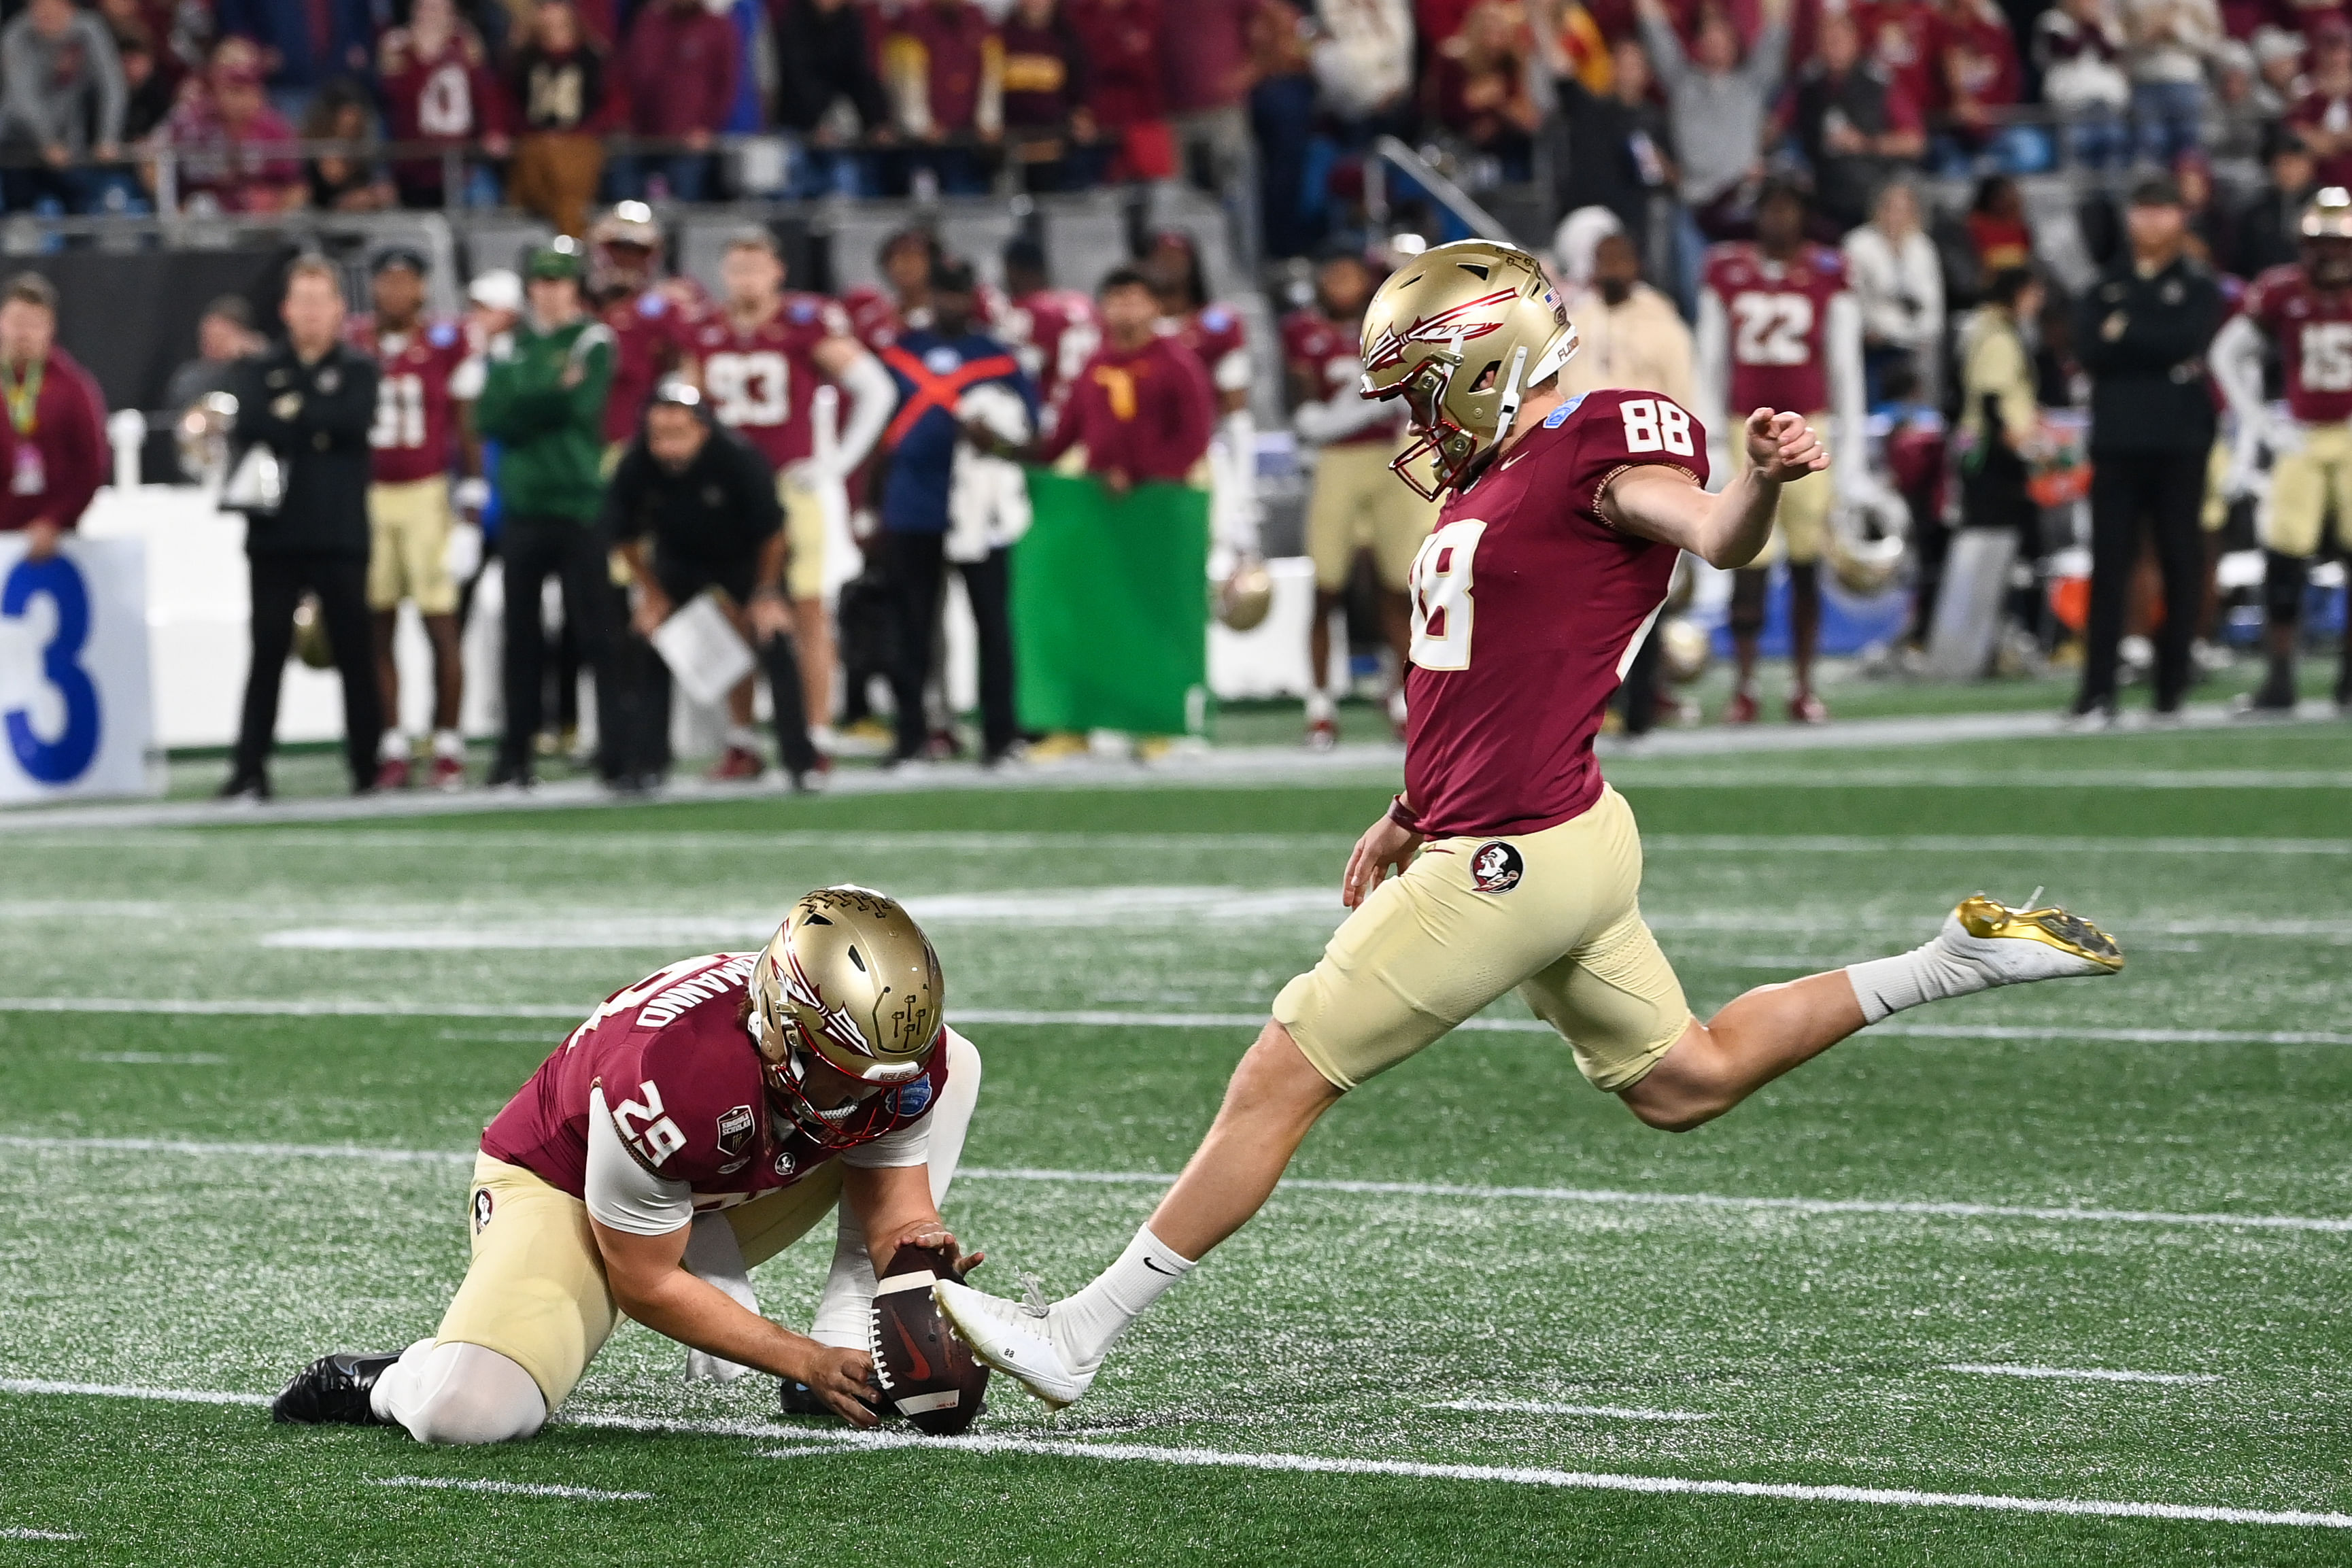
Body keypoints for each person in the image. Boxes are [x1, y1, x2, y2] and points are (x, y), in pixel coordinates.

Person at [930, 239, 2125, 1410]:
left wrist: (1758, 481)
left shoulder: (1589, 445)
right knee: (1683, 1080)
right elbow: (1485, 669)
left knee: (1279, 1073)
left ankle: (1075, 1334)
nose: (1410, 416)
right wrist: (1407, 806)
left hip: (1508, 857)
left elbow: (1708, 531)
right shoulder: (1493, 472)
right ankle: (1951, 959)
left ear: (1479, 359)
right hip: (1563, 834)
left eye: (1414, 386)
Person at [270, 889, 987, 1442]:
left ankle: (847, 1337)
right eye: (844, 1074)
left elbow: (896, 1204)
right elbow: (643, 1281)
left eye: (882, 1075)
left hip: (711, 1174)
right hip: (566, 1187)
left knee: (961, 1064)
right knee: (469, 1414)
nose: (866, 1096)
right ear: (780, 1024)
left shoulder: (888, 1064)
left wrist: (920, 1249)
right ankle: (386, 1378)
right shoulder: (673, 1072)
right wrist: (794, 1355)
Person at [677, 228, 897, 770]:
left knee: (808, 612)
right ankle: (742, 739)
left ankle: (815, 735)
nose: (745, 277)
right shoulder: (705, 331)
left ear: (778, 271)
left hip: (789, 489)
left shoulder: (803, 324)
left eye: (755, 265)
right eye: (736, 266)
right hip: (726, 493)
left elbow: (876, 388)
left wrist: (838, 463)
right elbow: (683, 407)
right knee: (732, 612)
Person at [1697, 178, 1864, 725]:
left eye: (1787, 208)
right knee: (1748, 564)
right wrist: (1713, 442)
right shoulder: (1725, 270)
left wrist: (1848, 445)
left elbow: (1844, 367)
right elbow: (1710, 362)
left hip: (1807, 425)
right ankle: (1744, 683)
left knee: (1806, 560)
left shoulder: (1826, 272)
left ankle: (1803, 683)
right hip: (1743, 425)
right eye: (1769, 208)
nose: (1778, 219)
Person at [475, 241, 641, 790]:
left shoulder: (593, 340)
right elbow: (492, 417)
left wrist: (529, 404)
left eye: (560, 281)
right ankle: (515, 753)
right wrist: (547, 396)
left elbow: (580, 406)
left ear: (575, 288)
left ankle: (618, 751)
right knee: (521, 638)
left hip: (579, 502)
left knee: (597, 634)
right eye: (542, 282)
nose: (550, 292)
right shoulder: (508, 346)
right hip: (523, 506)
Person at [220, 257, 384, 802]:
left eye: (322, 301)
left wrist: (295, 415)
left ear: (340, 309)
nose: (312, 313)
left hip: (339, 532)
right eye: (303, 301)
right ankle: (250, 768)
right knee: (266, 651)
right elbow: (251, 421)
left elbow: (351, 420)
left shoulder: (359, 369)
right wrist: (313, 420)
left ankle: (367, 765)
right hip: (276, 535)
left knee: (355, 653)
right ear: (286, 309)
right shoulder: (256, 368)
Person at [610, 386, 822, 788]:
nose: (668, 448)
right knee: (648, 637)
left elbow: (774, 533)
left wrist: (766, 593)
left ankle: (801, 761)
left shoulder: (739, 458)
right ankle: (647, 763)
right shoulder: (636, 463)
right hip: (679, 561)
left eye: (678, 435)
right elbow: (623, 536)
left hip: (745, 560)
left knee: (774, 635)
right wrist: (652, 594)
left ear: (703, 430)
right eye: (659, 437)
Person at [2071, 174, 2223, 725]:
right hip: (2115, 437)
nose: (2151, 222)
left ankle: (2170, 685)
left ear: (2178, 218)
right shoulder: (2102, 284)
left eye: (2162, 211)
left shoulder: (2196, 283)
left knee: (2181, 558)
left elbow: (2182, 338)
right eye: (2142, 211)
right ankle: (2096, 690)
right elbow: (2088, 347)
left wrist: (2126, 335)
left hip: (2180, 437)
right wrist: (2144, 344)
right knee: (2108, 564)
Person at [872, 260, 1033, 766]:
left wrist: (996, 441)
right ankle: (912, 734)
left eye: (959, 294)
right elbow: (878, 435)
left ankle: (999, 734)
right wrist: (871, 506)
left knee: (992, 625)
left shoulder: (997, 357)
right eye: (943, 293)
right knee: (912, 628)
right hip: (912, 503)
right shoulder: (900, 352)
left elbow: (1032, 436)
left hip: (980, 510)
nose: (951, 304)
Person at [1284, 244, 1435, 749]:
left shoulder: (1392, 329)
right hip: (1337, 463)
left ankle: (1401, 700)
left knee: (1399, 589)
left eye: (1351, 275)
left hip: (1389, 459)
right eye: (1334, 275)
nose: (1342, 285)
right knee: (1325, 587)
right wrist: (1344, 418)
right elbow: (1305, 410)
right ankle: (1319, 707)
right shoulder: (1306, 332)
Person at [2212, 188, 2352, 716]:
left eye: (2339, 242)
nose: (2330, 254)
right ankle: (2278, 681)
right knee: (2283, 558)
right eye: (2319, 242)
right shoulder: (2281, 290)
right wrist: (2258, 421)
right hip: (2304, 433)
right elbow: (2225, 354)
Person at [1559, 229, 1698, 738]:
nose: (1611, 267)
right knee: (1581, 597)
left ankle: (1641, 703)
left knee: (1640, 592)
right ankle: (1589, 707)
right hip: (1581, 472)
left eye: (1619, 256)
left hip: (1644, 469)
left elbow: (1683, 400)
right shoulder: (1574, 321)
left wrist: (1683, 471)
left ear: (1637, 263)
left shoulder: (1663, 324)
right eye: (1603, 258)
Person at [350, 248, 476, 791]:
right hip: (370, 494)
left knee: (440, 625)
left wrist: (470, 498)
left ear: (423, 289)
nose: (397, 292)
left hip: (426, 493)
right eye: (388, 282)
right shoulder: (355, 341)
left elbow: (466, 422)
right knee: (378, 627)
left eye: (406, 282)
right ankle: (392, 742)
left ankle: (447, 743)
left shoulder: (447, 342)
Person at [1142, 230, 1258, 566]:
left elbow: (1236, 412)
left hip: (1202, 452)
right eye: (1161, 257)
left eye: (1177, 258)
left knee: (1210, 557)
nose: (1169, 266)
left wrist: (1243, 492)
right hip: (1145, 457)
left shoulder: (1217, 323)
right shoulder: (1134, 328)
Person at [1636, 0, 1789, 250]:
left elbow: (1777, 34)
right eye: (1709, 38)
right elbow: (1656, 33)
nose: (1716, 44)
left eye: (1723, 38)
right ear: (1700, 45)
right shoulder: (1682, 84)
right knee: (1690, 285)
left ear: (1734, 44)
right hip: (1694, 207)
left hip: (1741, 210)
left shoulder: (1752, 85)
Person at [1956, 267, 2047, 641]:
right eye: (2034, 293)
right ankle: (2009, 633)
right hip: (1993, 455)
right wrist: (2017, 443)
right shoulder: (1998, 337)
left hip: (1983, 451)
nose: (2038, 303)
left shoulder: (1985, 329)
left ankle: (1994, 632)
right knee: (2011, 543)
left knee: (1998, 541)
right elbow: (1992, 399)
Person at [1784, 10, 1923, 235]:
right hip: (1822, 191)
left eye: (1839, 40)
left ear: (1855, 42)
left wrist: (1865, 143)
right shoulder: (1807, 86)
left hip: (1872, 190)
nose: (1832, 47)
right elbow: (1775, 127)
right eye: (1826, 41)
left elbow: (1915, 142)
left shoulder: (1879, 84)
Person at [505, 0, 621, 237]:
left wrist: (585, 131)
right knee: (534, 179)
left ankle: (571, 247)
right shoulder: (525, 60)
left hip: (580, 143)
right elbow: (506, 101)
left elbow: (616, 103)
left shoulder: (593, 58)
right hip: (534, 143)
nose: (554, 28)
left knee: (569, 195)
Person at [377, 0, 509, 209]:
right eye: (427, 8)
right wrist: (420, 58)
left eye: (440, 8)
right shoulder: (400, 48)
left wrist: (494, 130)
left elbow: (488, 94)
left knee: (486, 203)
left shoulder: (465, 44)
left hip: (463, 163)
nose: (433, 15)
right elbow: (398, 105)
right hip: (416, 165)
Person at [0, 0, 128, 214]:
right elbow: (22, 99)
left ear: (69, 7)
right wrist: (48, 142)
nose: (44, 12)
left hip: (69, 144)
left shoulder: (89, 30)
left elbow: (112, 85)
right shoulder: (15, 35)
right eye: (37, 6)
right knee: (20, 215)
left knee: (81, 209)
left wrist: (108, 137)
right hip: (17, 141)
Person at [154, 39, 304, 214]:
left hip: (262, 228)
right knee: (202, 206)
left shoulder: (275, 129)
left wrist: (275, 217)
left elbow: (296, 188)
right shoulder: (188, 122)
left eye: (248, 88)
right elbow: (152, 162)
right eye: (233, 89)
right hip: (204, 226)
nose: (241, 100)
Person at [877, 0, 1004, 196]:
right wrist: (921, 125)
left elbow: (990, 77)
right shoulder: (913, 22)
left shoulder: (978, 20)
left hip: (966, 141)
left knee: (968, 201)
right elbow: (904, 80)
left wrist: (988, 122)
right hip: (922, 145)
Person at [617, 0, 738, 202]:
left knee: (685, 204)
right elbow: (631, 74)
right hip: (642, 139)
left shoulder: (718, 27)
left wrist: (707, 128)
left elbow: (725, 85)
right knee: (623, 199)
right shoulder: (649, 23)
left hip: (689, 143)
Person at [774, 0, 891, 199]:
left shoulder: (851, 23)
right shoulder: (793, 22)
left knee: (847, 179)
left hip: (836, 128)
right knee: (790, 184)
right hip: (797, 125)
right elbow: (797, 78)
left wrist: (877, 122)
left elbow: (860, 77)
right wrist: (816, 124)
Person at [1843, 179, 1944, 405]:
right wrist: (1869, 328)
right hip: (1874, 344)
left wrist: (1926, 333)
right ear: (1878, 209)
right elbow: (1853, 297)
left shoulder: (1922, 247)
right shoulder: (1858, 244)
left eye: (1903, 209)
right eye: (1890, 208)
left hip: (1914, 345)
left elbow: (1933, 300)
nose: (1895, 216)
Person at [997, 235, 1100, 411]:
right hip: (1096, 404)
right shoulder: (1083, 302)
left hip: (1056, 409)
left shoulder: (1028, 311)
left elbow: (1022, 370)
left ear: (1014, 270)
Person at [2034, 0, 2132, 169]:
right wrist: (2086, 25)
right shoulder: (2053, 21)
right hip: (2070, 102)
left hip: (2106, 101)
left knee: (2113, 146)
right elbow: (2066, 50)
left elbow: (2111, 53)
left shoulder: (2108, 23)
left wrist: (2096, 26)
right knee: (2077, 150)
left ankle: (2110, 194)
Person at [2121, 0, 2219, 167]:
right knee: (2150, 148)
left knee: (2190, 153)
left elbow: (2214, 43)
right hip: (2145, 82)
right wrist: (2147, 36)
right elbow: (2117, 39)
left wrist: (2180, 33)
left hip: (2186, 83)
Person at [163, 294, 262, 415]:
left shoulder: (256, 368)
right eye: (206, 336)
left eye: (219, 337)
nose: (211, 344)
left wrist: (256, 355)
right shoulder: (190, 377)